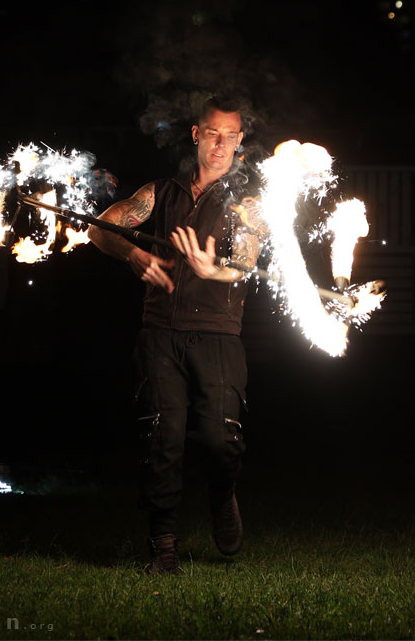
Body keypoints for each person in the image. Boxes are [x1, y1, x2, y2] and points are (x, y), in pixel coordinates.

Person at [88, 96, 262, 574]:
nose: (221, 143)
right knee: (161, 439)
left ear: (240, 141)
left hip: (218, 336)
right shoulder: (160, 193)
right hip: (160, 333)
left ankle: (223, 493)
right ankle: (163, 542)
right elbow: (100, 229)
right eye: (212, 133)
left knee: (219, 439)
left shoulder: (246, 203)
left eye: (231, 135)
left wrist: (214, 269)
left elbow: (246, 263)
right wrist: (132, 255)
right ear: (196, 135)